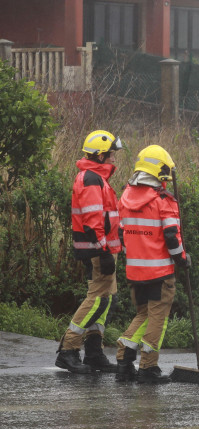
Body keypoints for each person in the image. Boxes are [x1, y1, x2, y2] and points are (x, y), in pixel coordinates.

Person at [115, 145, 189, 384]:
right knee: (157, 319)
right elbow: (171, 236)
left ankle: (124, 360)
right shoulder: (163, 200)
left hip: (135, 272)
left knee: (143, 315)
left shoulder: (125, 197)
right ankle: (148, 368)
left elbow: (120, 234)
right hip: (159, 273)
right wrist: (182, 259)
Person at [56, 130, 124, 374]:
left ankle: (94, 353)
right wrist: (103, 251)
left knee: (106, 301)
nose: (114, 159)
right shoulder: (91, 179)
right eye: (111, 155)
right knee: (97, 299)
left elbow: (107, 217)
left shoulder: (98, 178)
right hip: (99, 250)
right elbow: (92, 219)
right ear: (101, 155)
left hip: (105, 248)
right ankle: (67, 350)